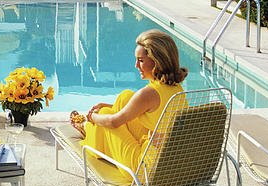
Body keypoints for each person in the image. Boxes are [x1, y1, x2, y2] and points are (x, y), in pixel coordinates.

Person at [69, 30, 187, 173]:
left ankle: (86, 127)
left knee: (105, 114)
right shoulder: (175, 87)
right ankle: (93, 130)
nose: (136, 65)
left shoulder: (149, 93)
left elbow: (113, 122)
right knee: (125, 97)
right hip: (165, 159)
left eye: (141, 60)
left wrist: (92, 117)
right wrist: (108, 106)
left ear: (158, 62)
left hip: (143, 167)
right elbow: (147, 109)